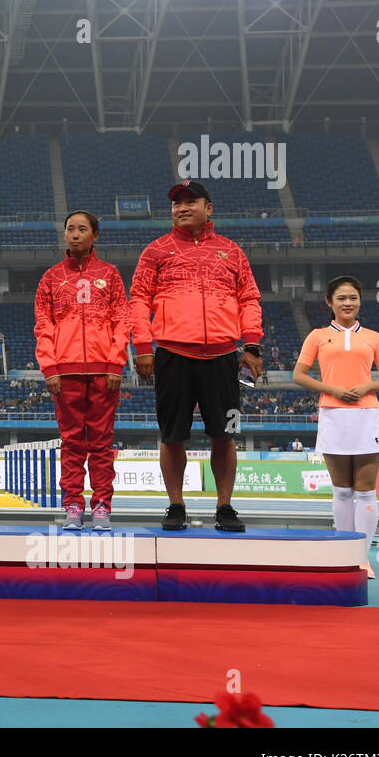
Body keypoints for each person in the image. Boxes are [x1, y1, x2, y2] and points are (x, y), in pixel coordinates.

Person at [130, 179, 263, 532]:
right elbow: (139, 300)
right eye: (176, 203)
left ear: (209, 208)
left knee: (225, 435)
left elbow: (249, 299)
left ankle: (225, 506)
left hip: (223, 356)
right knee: (172, 435)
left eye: (191, 201)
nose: (182, 207)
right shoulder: (155, 251)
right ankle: (176, 505)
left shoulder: (232, 252)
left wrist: (251, 345)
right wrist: (143, 347)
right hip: (172, 354)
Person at [292, 275, 379, 579]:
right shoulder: (317, 336)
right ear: (329, 302)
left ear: (360, 301)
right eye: (341, 298)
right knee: (341, 490)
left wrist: (366, 387)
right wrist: (333, 390)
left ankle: (362, 558)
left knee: (365, 492)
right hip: (333, 414)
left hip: (367, 416)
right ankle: (343, 553)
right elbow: (300, 375)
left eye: (352, 298)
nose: (347, 303)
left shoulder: (374, 337)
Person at [35, 210, 130, 531]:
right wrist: (49, 367)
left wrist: (117, 361)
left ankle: (102, 505)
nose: (74, 234)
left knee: (102, 444)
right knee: (72, 443)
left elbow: (122, 321)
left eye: (81, 229)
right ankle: (73, 505)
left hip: (105, 371)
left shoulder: (111, 274)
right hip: (65, 370)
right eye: (70, 229)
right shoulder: (50, 278)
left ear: (95, 235)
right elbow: (43, 325)